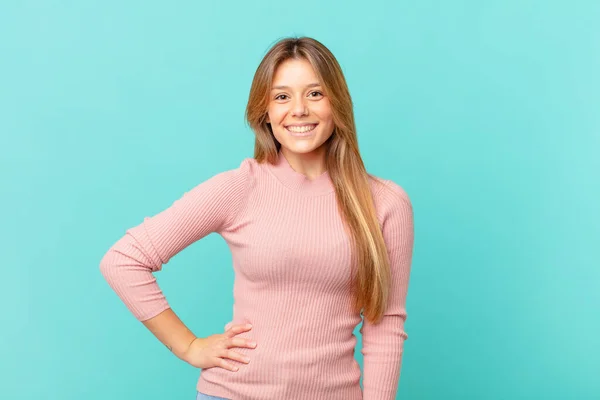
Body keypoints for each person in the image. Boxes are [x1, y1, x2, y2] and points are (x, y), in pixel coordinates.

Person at [100, 36, 415, 400]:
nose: (298, 110)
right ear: (264, 111)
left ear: (338, 103)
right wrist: (188, 346)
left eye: (315, 93)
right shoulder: (239, 188)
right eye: (282, 96)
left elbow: (385, 324)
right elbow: (123, 260)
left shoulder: (385, 202)